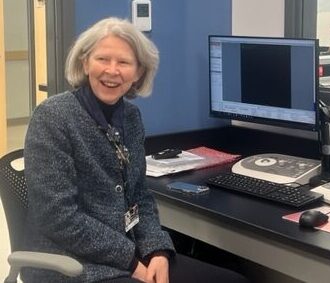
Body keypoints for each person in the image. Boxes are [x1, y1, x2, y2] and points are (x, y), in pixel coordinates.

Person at [23, 17, 250, 283]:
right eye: (102, 59)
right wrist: (131, 261)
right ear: (85, 63)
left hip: (126, 253)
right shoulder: (53, 116)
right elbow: (58, 217)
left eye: (123, 62)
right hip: (69, 264)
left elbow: (140, 195)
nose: (112, 70)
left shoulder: (130, 117)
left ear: (138, 73)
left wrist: (157, 251)